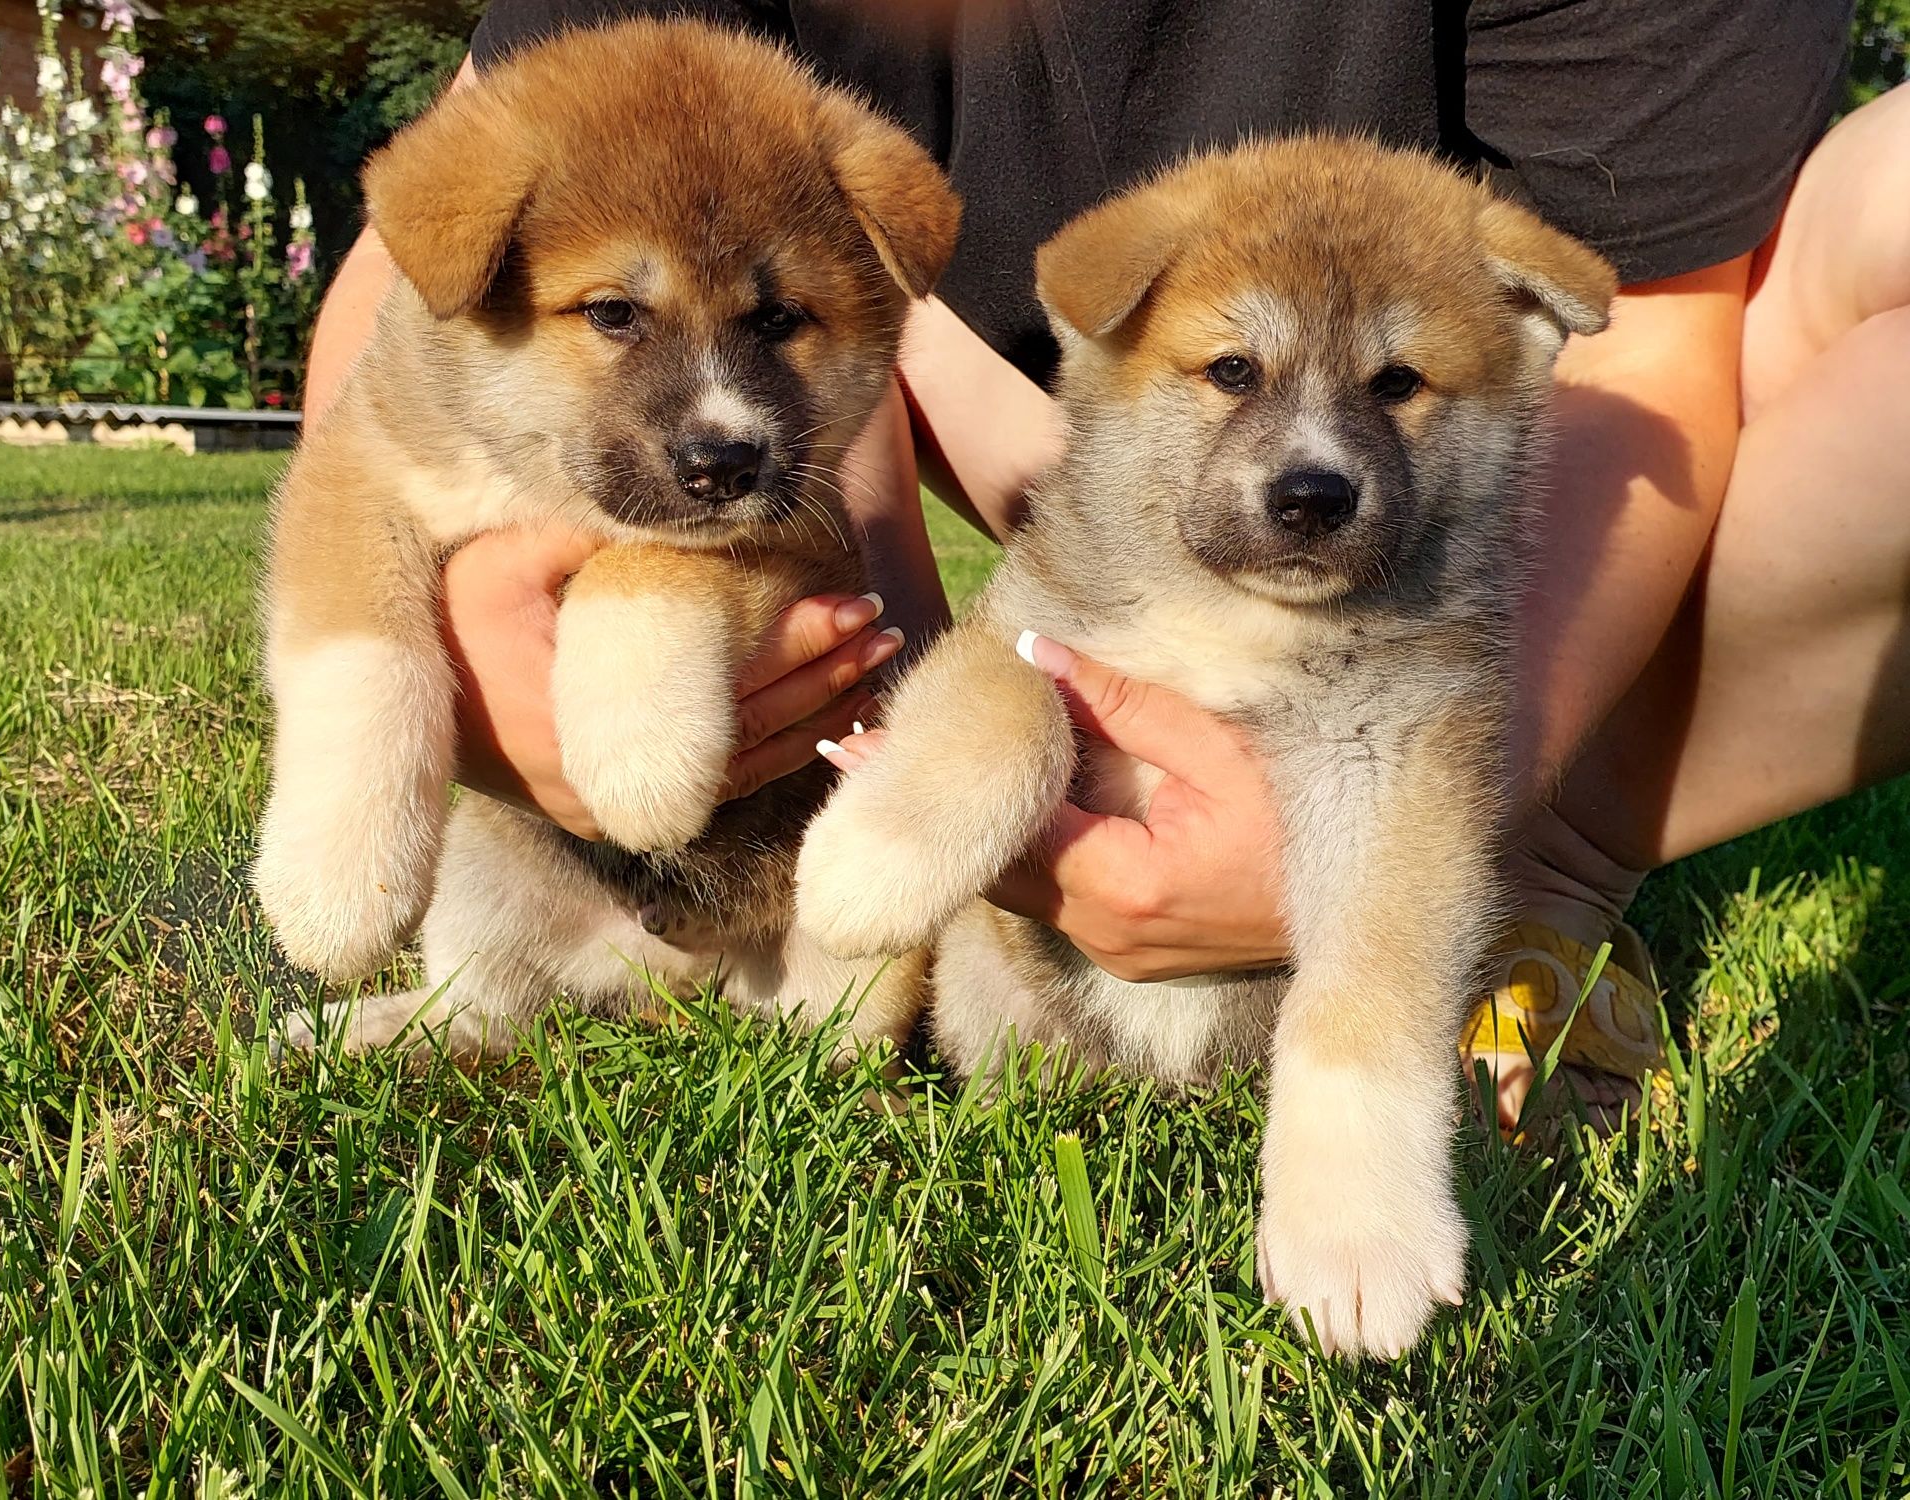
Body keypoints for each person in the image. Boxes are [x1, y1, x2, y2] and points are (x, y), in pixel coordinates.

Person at [302, 0, 1910, 1130]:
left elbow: (1653, 340)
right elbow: (442, 243)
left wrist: (1470, 788)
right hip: (1085, 484)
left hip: (1480, 496)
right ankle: (928, 829)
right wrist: (453, 630)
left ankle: (1548, 867)